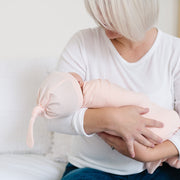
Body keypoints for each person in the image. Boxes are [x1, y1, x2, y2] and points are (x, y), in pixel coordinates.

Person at [47, 0, 180, 179]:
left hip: (157, 169)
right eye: (101, 20)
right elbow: (53, 116)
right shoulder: (83, 43)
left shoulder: (173, 51)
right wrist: (111, 119)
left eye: (116, 22)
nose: (107, 33)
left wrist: (148, 154)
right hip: (91, 170)